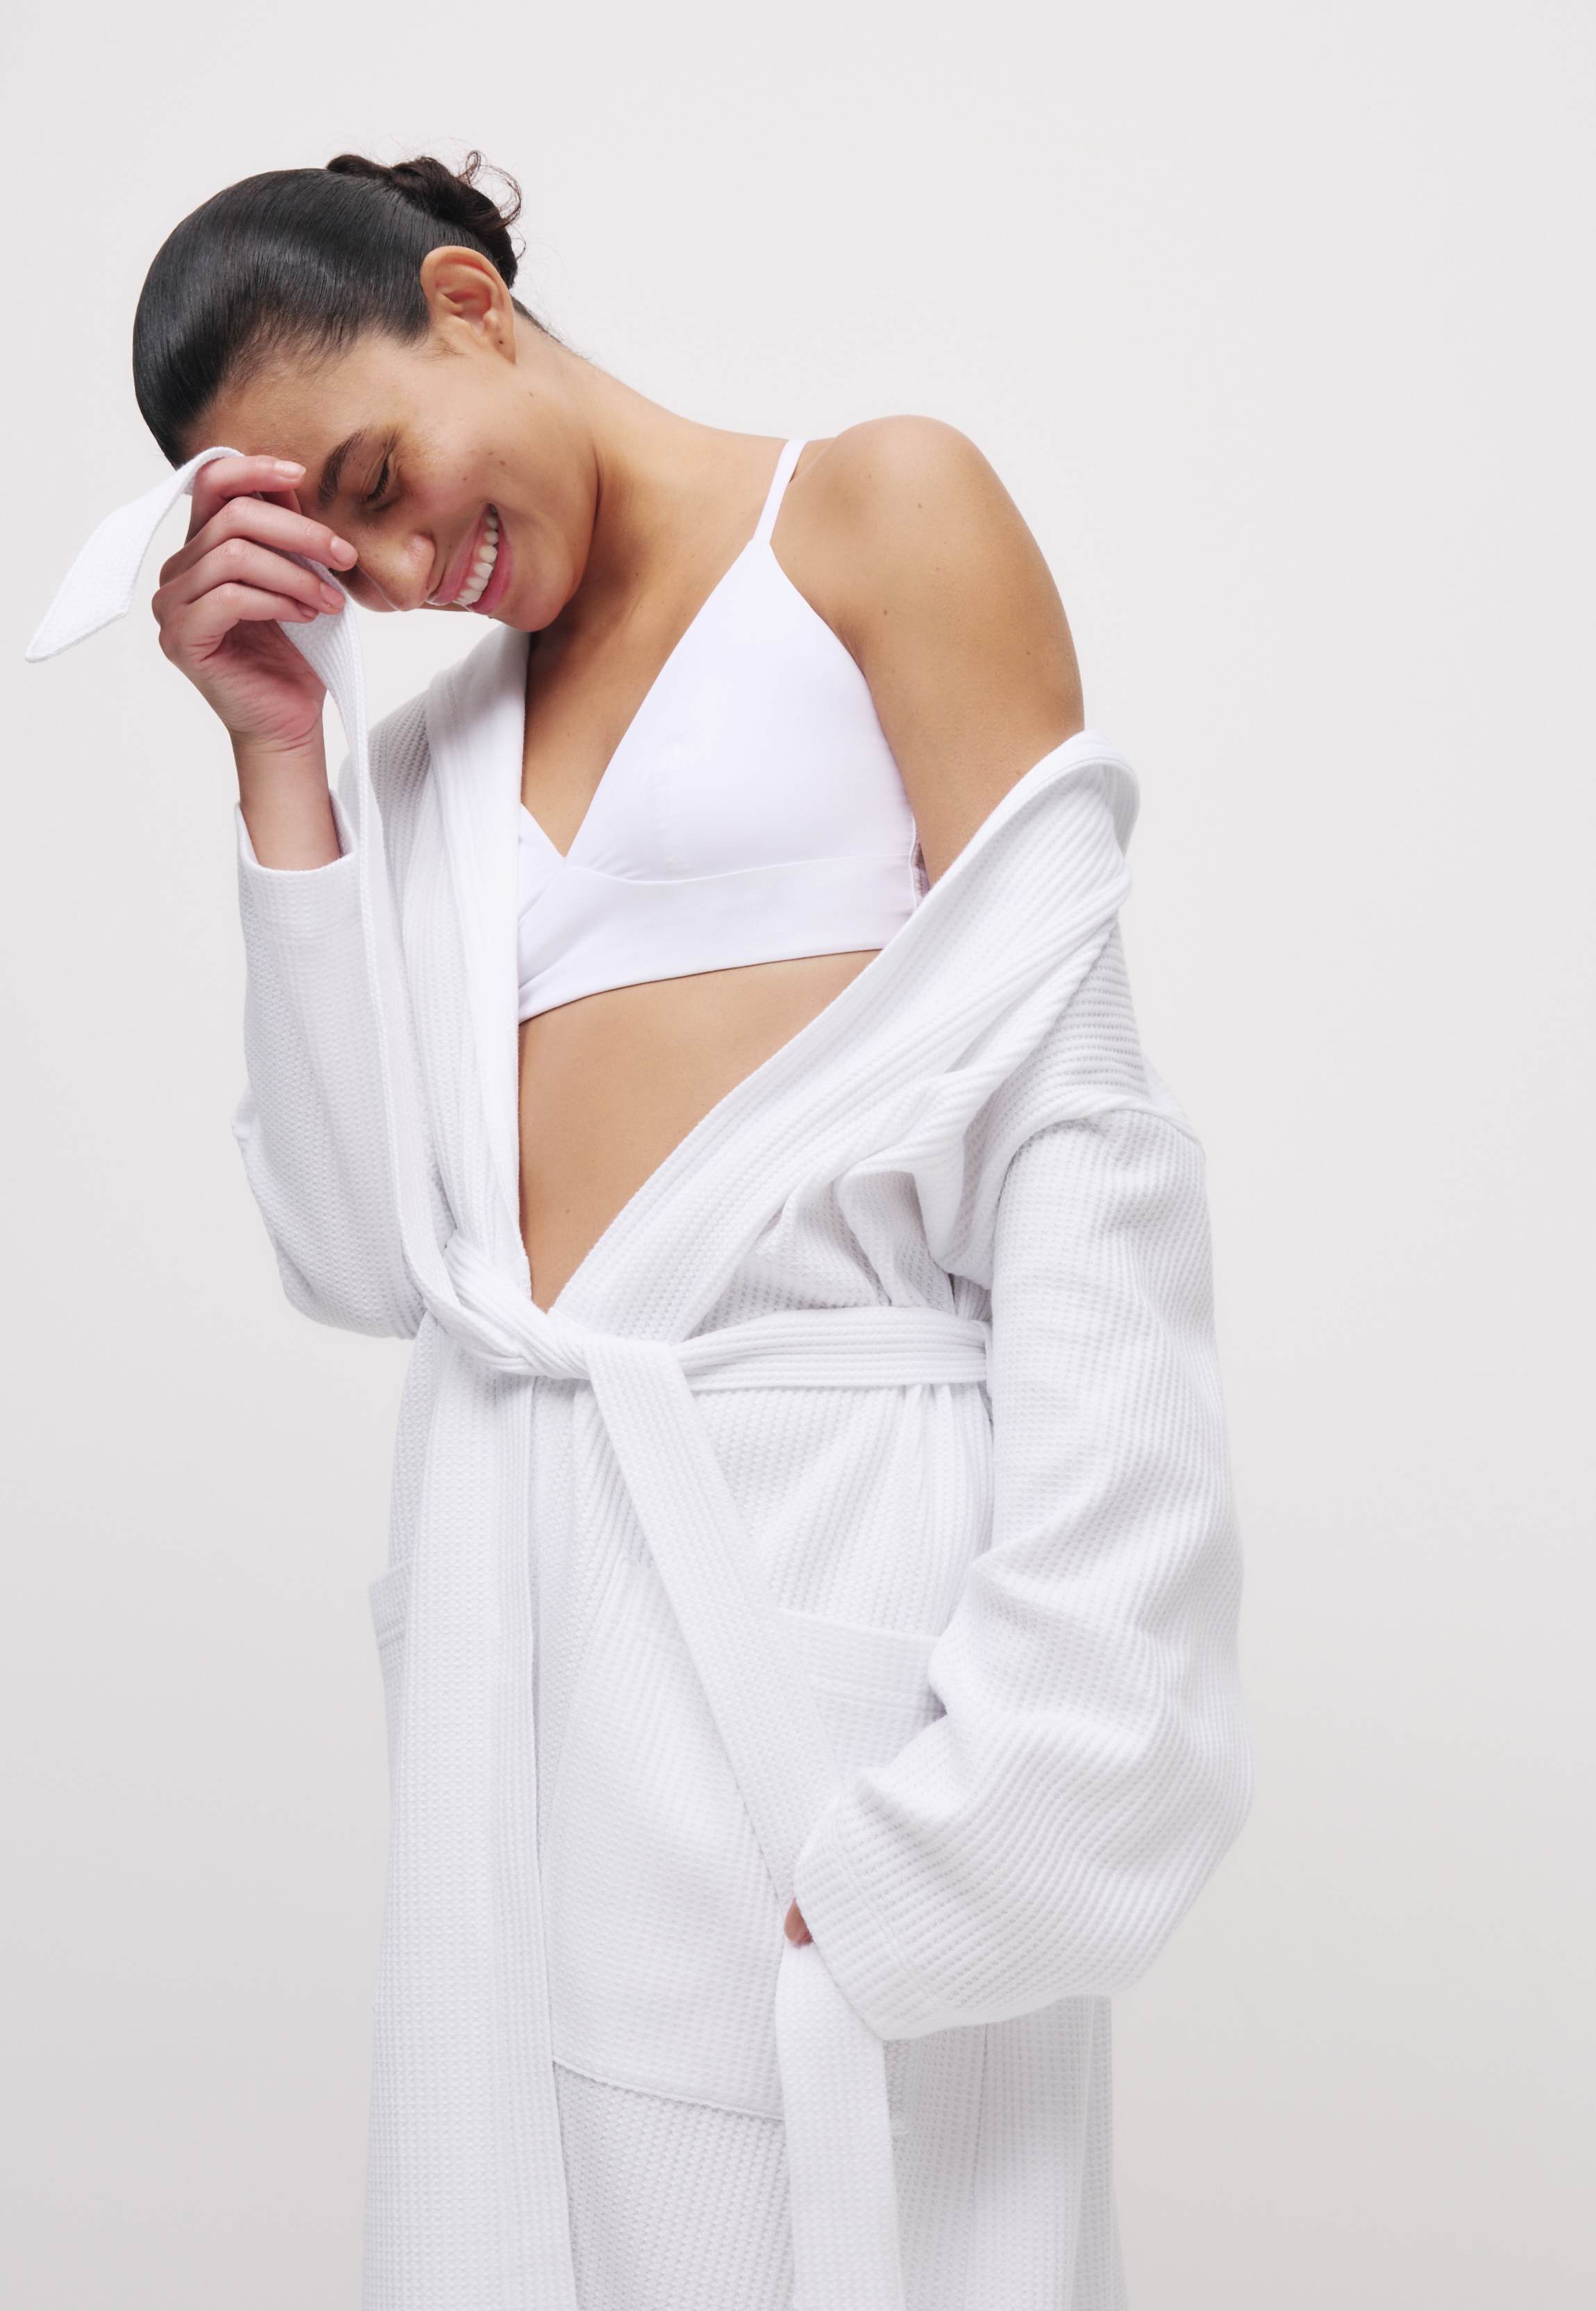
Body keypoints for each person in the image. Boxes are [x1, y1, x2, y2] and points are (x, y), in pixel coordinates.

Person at [28, 151, 1255, 2311]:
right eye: (342, 546)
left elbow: (1086, 1145)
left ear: (468, 299)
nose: (405, 566)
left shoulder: (874, 516)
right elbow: (366, 1261)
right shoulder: (431, 763)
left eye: (381, 475)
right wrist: (283, 762)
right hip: (545, 1661)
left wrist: (1029, 1765)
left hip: (851, 1637)